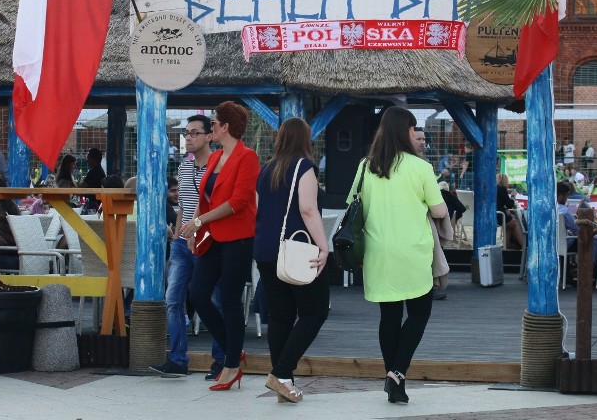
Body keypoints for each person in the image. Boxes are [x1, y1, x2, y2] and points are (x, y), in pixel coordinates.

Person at [346, 106, 447, 404]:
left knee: (388, 317)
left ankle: (395, 380)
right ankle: (398, 373)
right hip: (413, 252)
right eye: (413, 128)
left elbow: (353, 204)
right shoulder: (420, 167)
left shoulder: (366, 165)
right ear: (405, 131)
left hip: (378, 253)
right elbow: (440, 210)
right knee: (420, 313)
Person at [179, 102, 259, 391]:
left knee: (229, 300)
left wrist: (199, 222)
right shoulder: (214, 160)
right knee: (197, 294)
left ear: (225, 127)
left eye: (213, 123)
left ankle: (231, 365)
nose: (211, 126)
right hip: (212, 238)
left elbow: (239, 202)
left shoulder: (247, 157)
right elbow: (205, 198)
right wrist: (194, 230)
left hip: (238, 239)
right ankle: (233, 349)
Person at [255, 118, 329, 403]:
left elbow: (259, 210)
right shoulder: (304, 167)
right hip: (297, 252)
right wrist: (324, 247)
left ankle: (283, 382)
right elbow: (308, 210)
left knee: (280, 316)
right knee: (314, 312)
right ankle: (282, 372)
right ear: (305, 139)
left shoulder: (266, 170)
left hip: (265, 251)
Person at [151, 114, 226, 380]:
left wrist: (196, 229)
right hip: (184, 242)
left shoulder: (219, 166)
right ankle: (177, 359)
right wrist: (178, 238)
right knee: (173, 299)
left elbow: (216, 206)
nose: (189, 137)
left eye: (195, 133)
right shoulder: (184, 167)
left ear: (209, 136)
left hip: (209, 241)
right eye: (186, 133)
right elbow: (183, 204)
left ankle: (221, 360)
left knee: (214, 301)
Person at [496, 173, 525, 250]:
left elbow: (499, 203)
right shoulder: (502, 189)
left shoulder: (495, 188)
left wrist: (505, 209)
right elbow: (509, 204)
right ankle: (524, 245)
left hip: (496, 213)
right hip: (499, 215)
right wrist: (512, 197)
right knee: (514, 222)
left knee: (510, 222)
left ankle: (507, 244)